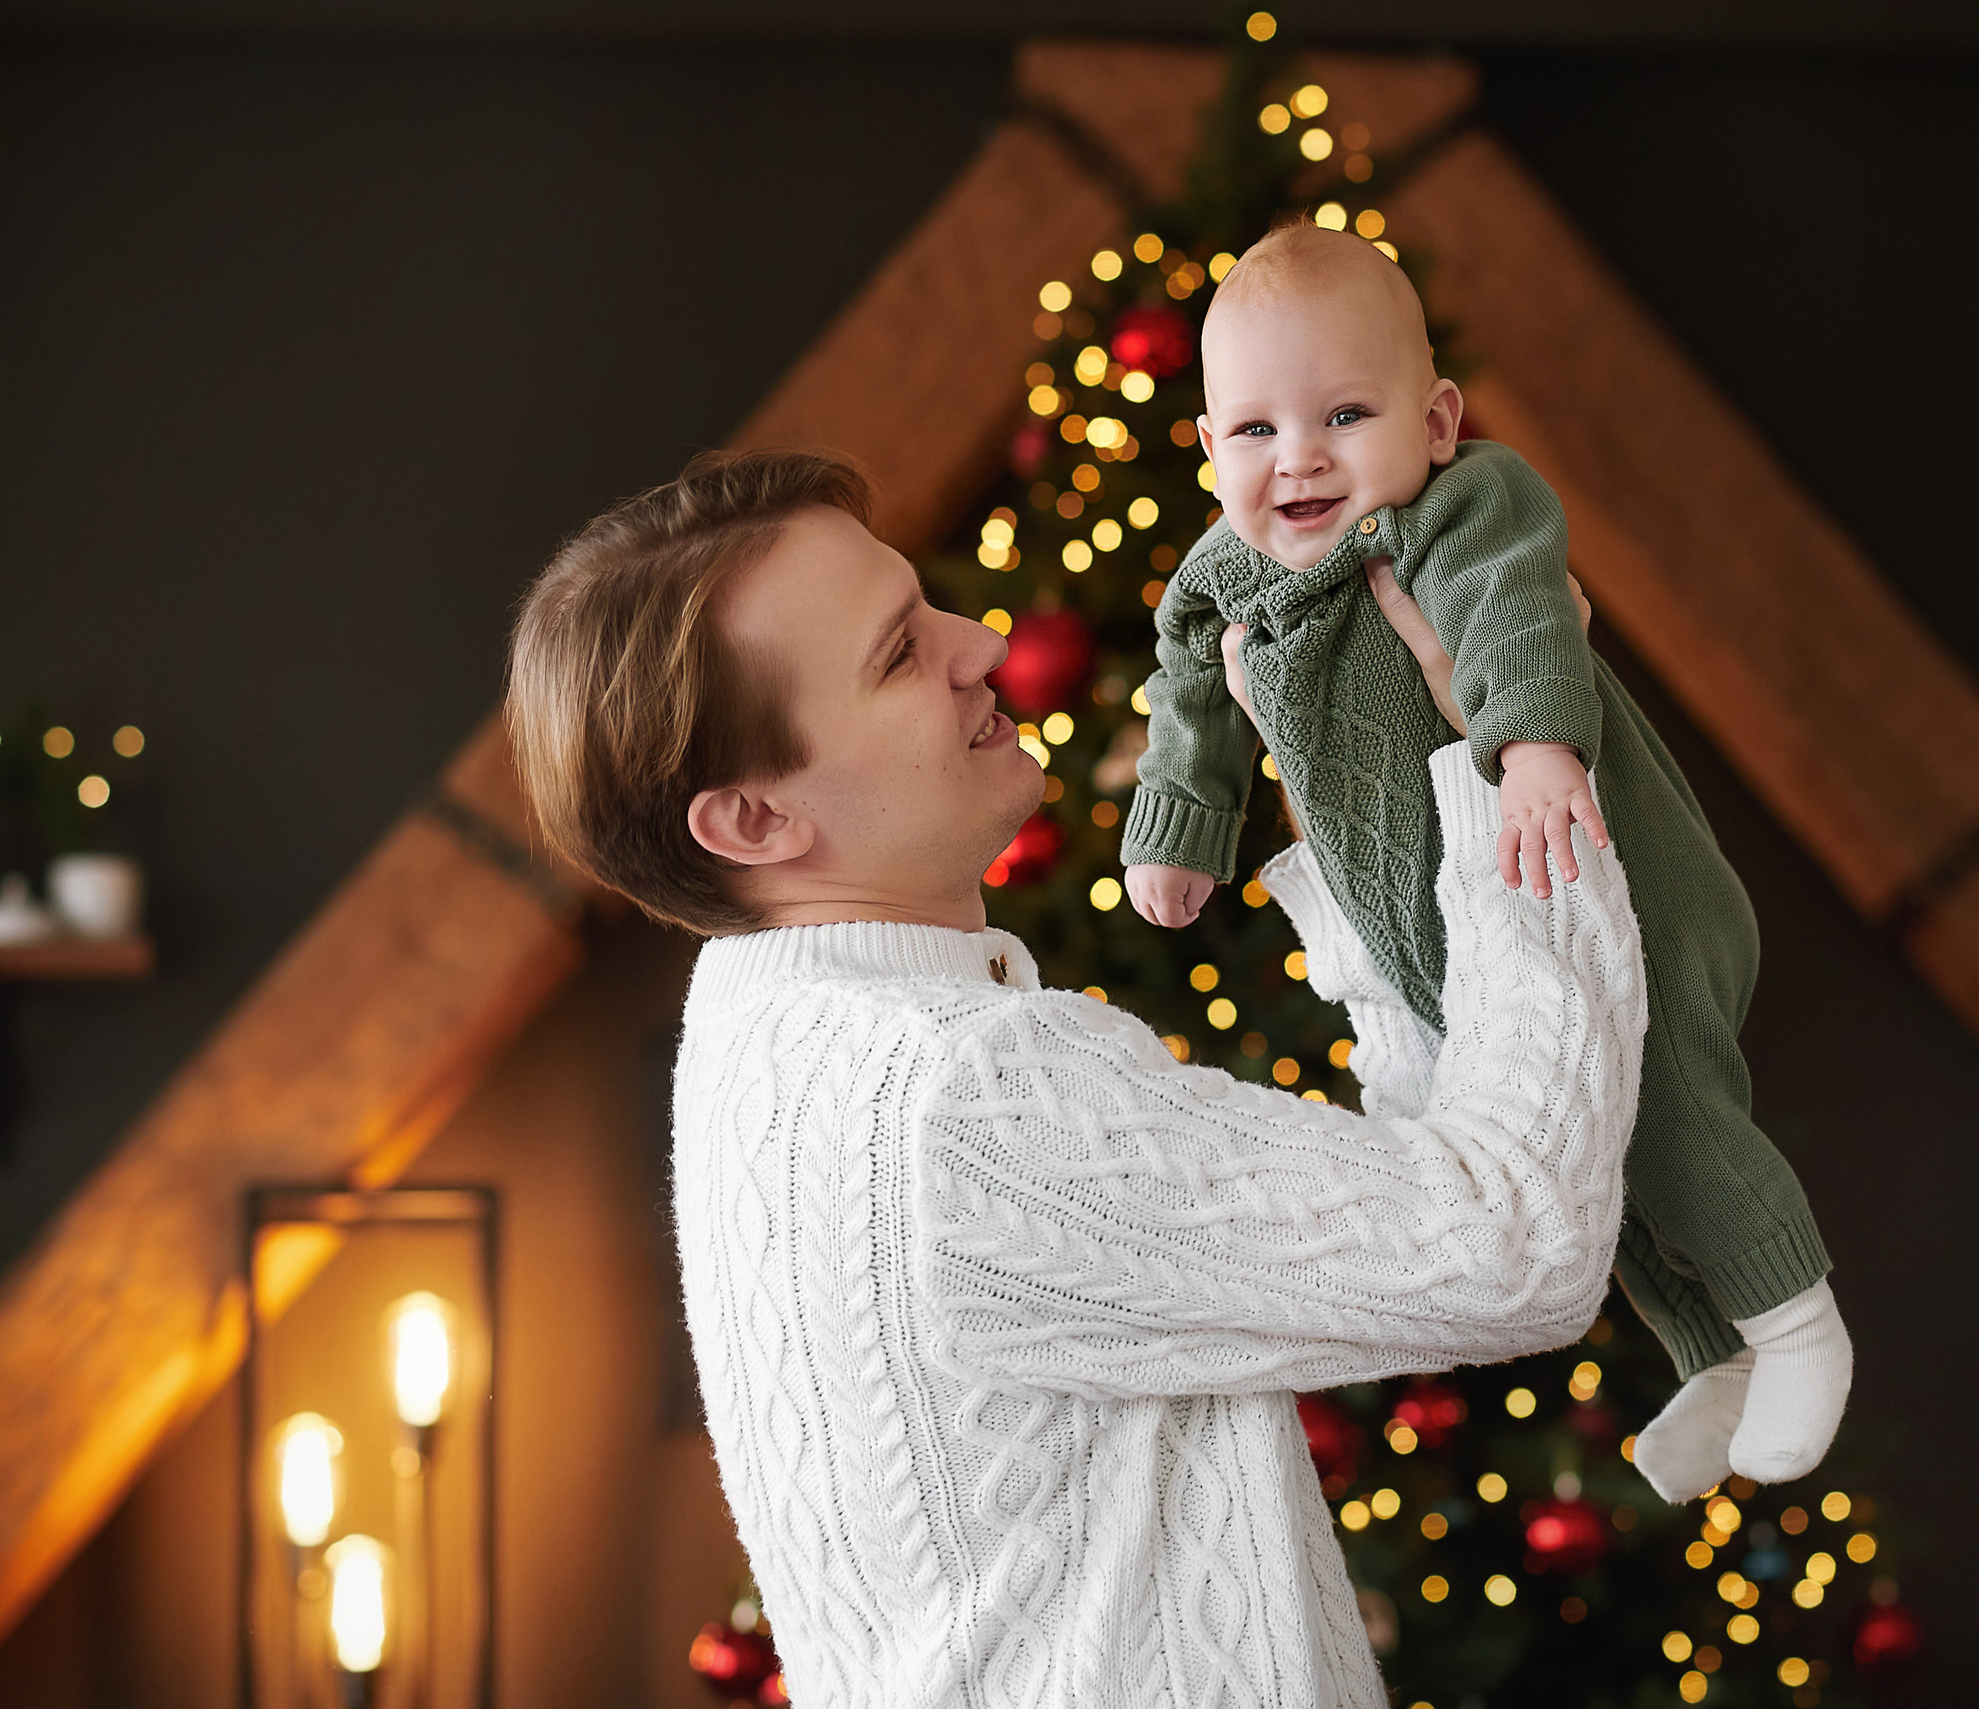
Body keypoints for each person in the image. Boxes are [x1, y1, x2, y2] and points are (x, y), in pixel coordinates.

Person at [505, 448, 1647, 1709]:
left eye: (923, 601)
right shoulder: (960, 1093)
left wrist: (1350, 804)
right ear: (754, 821)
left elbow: (1425, 1202)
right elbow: (1514, 1242)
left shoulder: (755, 1037)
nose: (982, 640)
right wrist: (1518, 764)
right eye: (896, 654)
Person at [1119, 222, 1852, 1500]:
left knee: (1664, 1100)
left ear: (1436, 417)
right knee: (1589, 1143)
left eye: (1345, 413)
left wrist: (1534, 746)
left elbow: (1515, 611)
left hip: (1595, 859)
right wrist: (1184, 822)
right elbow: (1187, 688)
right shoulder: (1222, 576)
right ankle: (1713, 1353)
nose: (1298, 458)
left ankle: (1798, 1321)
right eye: (1254, 431)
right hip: (1458, 918)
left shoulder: (1461, 507)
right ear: (1206, 445)